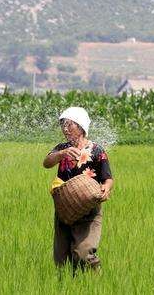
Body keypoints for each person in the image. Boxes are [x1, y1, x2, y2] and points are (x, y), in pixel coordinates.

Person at [43, 107, 114, 273]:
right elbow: (46, 162)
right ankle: (70, 285)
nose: (65, 129)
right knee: (62, 260)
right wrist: (62, 154)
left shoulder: (97, 150)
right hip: (65, 208)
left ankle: (97, 281)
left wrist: (106, 187)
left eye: (69, 125)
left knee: (83, 254)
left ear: (81, 127)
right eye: (63, 125)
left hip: (89, 210)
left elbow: (108, 178)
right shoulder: (62, 147)